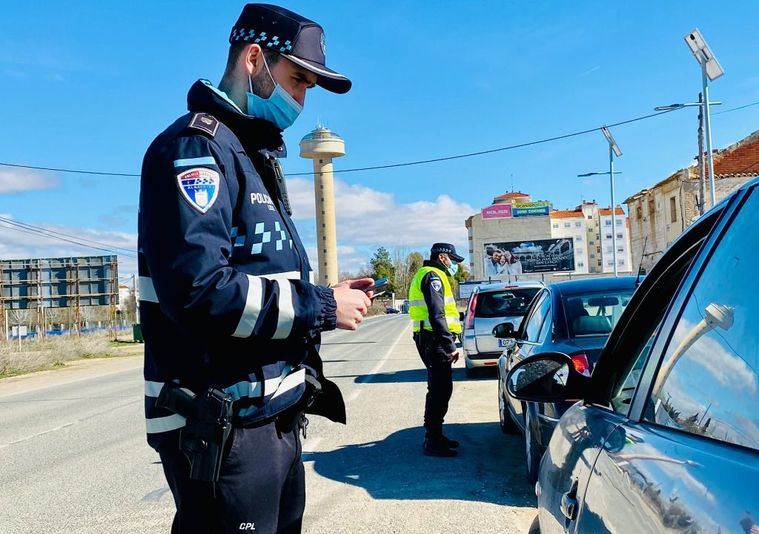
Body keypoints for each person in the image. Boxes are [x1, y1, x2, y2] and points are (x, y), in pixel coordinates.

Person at [138, 4, 372, 533]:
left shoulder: (249, 154)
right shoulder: (196, 148)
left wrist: (319, 295)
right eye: (297, 80)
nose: (302, 99)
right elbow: (200, 290)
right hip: (223, 426)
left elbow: (258, 276)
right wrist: (324, 304)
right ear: (253, 59)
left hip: (270, 421)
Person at [408, 243, 464, 457]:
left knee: (439, 388)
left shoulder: (427, 273)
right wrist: (449, 345)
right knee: (441, 389)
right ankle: (433, 439)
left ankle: (435, 435)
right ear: (443, 257)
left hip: (429, 337)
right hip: (434, 339)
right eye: (453, 261)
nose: (454, 265)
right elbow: (437, 313)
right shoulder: (432, 276)